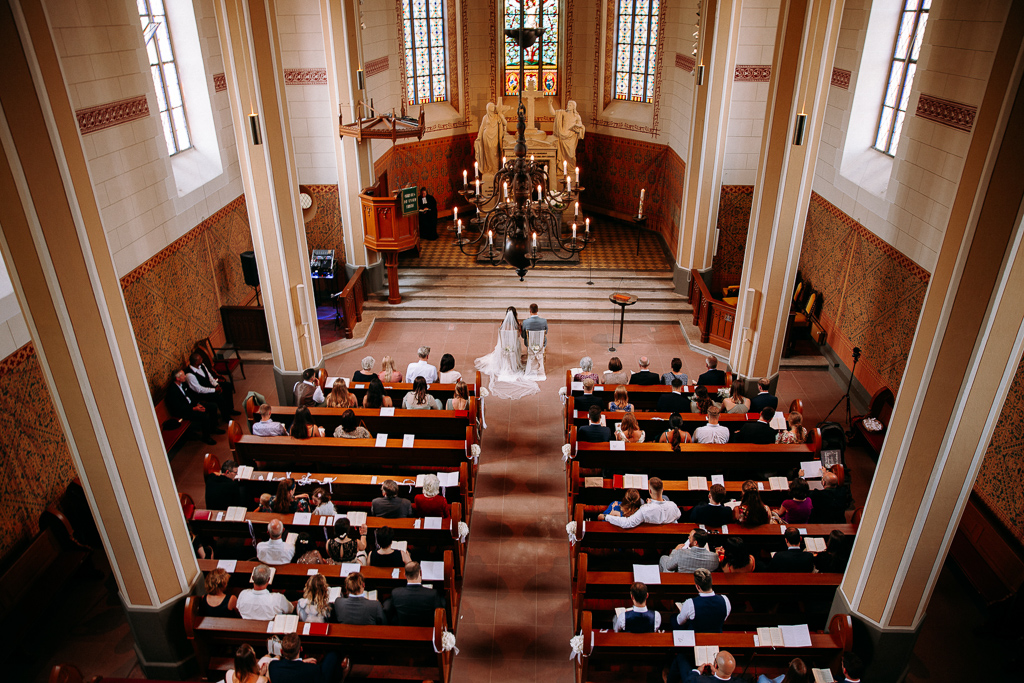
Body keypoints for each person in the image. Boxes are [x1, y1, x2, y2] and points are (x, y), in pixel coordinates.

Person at [475, 306, 540, 399]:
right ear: (515, 315)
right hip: (514, 347)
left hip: (504, 346)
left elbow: (500, 336)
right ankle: (515, 363)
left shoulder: (502, 324)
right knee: (517, 345)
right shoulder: (518, 324)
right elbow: (519, 335)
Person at [165, 369, 221, 445]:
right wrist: (194, 408)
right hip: (184, 411)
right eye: (183, 375)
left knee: (213, 406)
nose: (185, 376)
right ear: (177, 378)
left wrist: (197, 404)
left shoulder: (183, 384)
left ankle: (214, 428)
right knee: (204, 416)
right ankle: (206, 437)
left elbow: (190, 396)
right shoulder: (172, 391)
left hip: (191, 405)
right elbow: (178, 407)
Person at [598, 478, 680, 527]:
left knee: (640, 501)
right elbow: (678, 515)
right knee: (665, 498)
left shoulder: (645, 510)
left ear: (650, 491)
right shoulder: (673, 506)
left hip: (650, 531)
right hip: (664, 527)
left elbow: (627, 523)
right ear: (663, 490)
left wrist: (606, 517)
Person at [385, 561, 445, 626]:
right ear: (420, 573)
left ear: (404, 575)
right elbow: (440, 614)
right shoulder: (432, 594)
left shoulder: (396, 593)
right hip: (426, 630)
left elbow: (389, 612)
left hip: (403, 628)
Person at [267, 633, 343, 683]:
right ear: (301, 649)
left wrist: (302, 662)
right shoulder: (312, 669)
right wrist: (302, 662)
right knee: (332, 656)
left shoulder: (273, 666)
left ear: (281, 651)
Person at [186, 352, 238, 421]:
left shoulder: (202, 365)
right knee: (219, 397)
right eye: (200, 359)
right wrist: (214, 390)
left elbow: (209, 376)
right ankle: (226, 417)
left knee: (227, 386)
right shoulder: (189, 375)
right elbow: (199, 389)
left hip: (210, 386)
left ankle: (230, 409)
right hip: (201, 394)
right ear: (196, 362)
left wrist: (217, 385)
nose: (202, 359)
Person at [667, 649, 745, 683]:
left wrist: (697, 671)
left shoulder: (699, 680)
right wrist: (718, 674)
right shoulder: (742, 681)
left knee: (681, 657)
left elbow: (689, 680)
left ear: (716, 665)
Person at [474, 102, 508, 175]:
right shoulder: (485, 117)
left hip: (495, 137)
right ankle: (489, 169)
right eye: (491, 106)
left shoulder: (497, 116)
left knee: (495, 154)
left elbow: (505, 123)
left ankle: (495, 170)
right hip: (486, 137)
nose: (493, 107)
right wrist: (479, 137)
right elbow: (482, 128)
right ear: (488, 108)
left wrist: (501, 116)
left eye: (493, 106)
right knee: (487, 154)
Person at [554, 99, 585, 169]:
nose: (568, 106)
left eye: (570, 105)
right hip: (562, 136)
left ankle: (571, 170)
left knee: (571, 155)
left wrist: (578, 129)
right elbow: (553, 113)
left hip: (571, 137)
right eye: (568, 104)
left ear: (574, 107)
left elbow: (580, 126)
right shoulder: (563, 113)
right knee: (562, 155)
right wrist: (550, 104)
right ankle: (562, 169)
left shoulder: (577, 116)